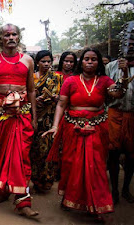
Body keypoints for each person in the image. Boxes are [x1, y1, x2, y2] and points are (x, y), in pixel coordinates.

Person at [43, 48, 129, 222]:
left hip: (97, 128)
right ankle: (70, 198)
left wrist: (125, 72)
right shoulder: (71, 81)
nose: (90, 62)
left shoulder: (104, 80)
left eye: (93, 59)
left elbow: (118, 92)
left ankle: (97, 206)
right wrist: (55, 126)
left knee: (95, 166)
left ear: (98, 63)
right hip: (72, 127)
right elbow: (61, 104)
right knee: (71, 164)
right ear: (80, 62)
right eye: (86, 59)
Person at [0, 24, 38, 217]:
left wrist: (35, 118)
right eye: (7, 35)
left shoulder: (28, 60)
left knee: (21, 155)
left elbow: (31, 90)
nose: (11, 37)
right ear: (1, 39)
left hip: (21, 114)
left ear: (19, 37)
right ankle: (2, 190)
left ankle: (23, 201)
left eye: (14, 34)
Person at [106, 33, 134, 204]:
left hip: (132, 114)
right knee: (113, 154)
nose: (131, 46)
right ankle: (114, 190)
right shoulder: (111, 67)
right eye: (129, 43)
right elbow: (109, 93)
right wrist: (122, 73)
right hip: (114, 114)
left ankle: (125, 189)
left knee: (132, 156)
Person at [30, 50, 62, 193]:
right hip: (33, 115)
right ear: (37, 62)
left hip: (49, 118)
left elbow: (62, 98)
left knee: (47, 150)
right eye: (43, 61)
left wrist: (55, 98)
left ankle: (47, 180)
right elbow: (27, 94)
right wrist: (34, 100)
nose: (47, 64)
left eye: (49, 61)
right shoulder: (31, 77)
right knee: (34, 150)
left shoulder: (57, 78)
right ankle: (35, 179)